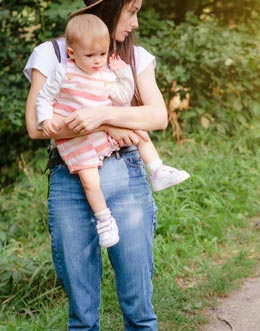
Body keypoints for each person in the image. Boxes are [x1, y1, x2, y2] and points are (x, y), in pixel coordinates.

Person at [24, 0, 168, 329]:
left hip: (126, 173)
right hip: (70, 177)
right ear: (109, 6)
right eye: (131, 11)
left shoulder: (135, 57)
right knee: (82, 316)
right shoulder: (53, 54)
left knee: (139, 309)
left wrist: (100, 116)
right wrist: (112, 125)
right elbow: (35, 125)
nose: (135, 22)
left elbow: (158, 116)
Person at [36, 14, 189, 248]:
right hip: (78, 140)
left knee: (139, 132)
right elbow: (44, 98)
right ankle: (104, 220)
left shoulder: (105, 72)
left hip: (105, 135)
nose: (98, 60)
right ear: (72, 53)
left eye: (102, 54)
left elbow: (122, 97)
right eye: (90, 55)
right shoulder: (63, 72)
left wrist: (123, 74)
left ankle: (157, 170)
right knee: (90, 181)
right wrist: (46, 118)